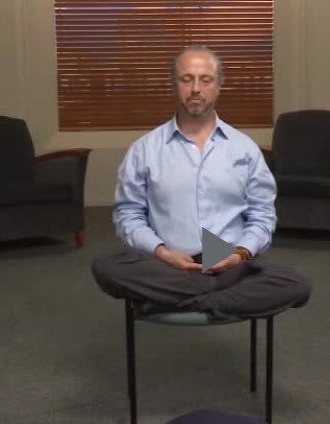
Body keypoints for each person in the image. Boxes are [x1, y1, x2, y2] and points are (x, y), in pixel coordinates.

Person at [91, 45, 311, 317]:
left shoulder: (244, 149)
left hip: (231, 264)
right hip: (167, 264)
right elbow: (129, 214)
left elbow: (262, 215)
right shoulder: (143, 150)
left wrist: (241, 254)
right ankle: (218, 298)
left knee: (297, 284)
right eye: (187, 79)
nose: (196, 88)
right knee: (106, 266)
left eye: (205, 80)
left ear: (218, 86)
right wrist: (163, 253)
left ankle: (178, 300)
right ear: (174, 85)